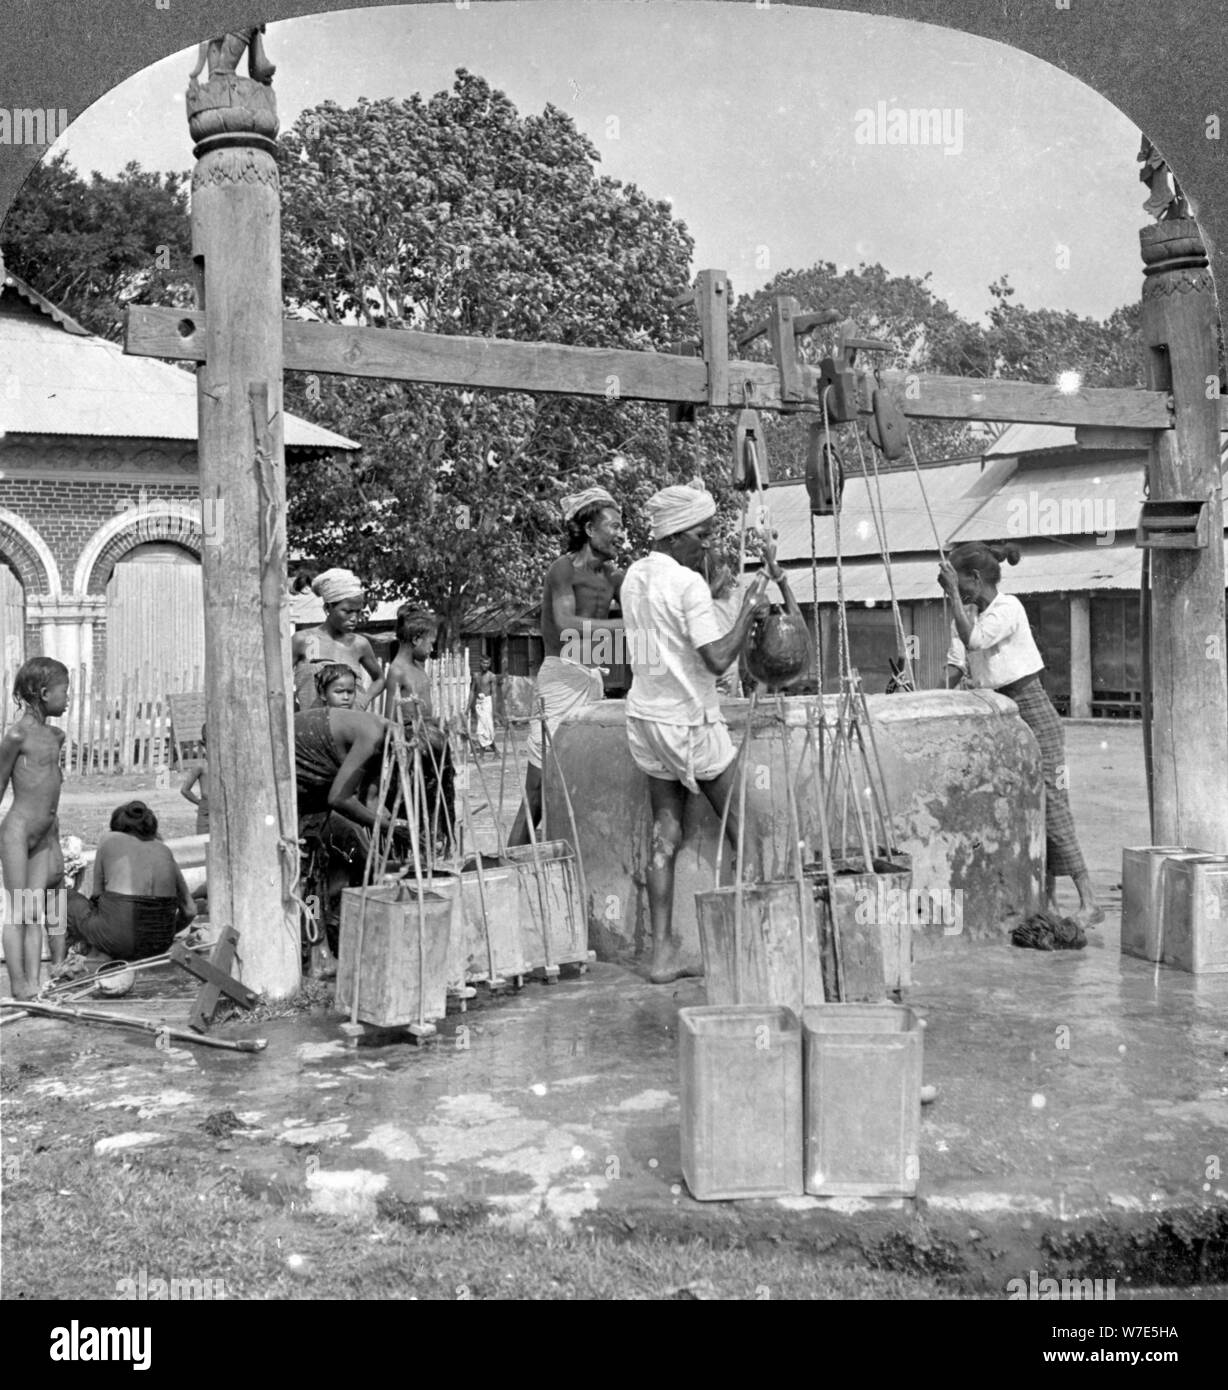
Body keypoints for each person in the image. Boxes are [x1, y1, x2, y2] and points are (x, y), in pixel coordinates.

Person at [621, 482, 776, 983]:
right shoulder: (686, 583)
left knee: (666, 834)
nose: (707, 545)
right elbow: (716, 660)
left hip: (645, 721)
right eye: (702, 535)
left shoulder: (633, 578)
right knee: (746, 828)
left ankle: (662, 955)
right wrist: (750, 609)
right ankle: (750, 951)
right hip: (690, 723)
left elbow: (650, 654)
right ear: (674, 535)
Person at [939, 540, 1103, 929]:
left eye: (958, 582)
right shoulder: (966, 615)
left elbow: (975, 641)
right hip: (1000, 717)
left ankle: (1089, 900)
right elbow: (957, 662)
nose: (954, 589)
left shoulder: (1008, 608)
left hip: (1033, 711)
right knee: (1023, 806)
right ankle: (1043, 900)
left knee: (1053, 803)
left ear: (975, 579)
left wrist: (951, 599)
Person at [510, 486, 625, 845]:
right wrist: (621, 628)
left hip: (593, 679)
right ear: (590, 530)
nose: (620, 533)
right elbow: (565, 623)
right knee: (539, 784)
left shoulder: (613, 575)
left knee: (585, 772)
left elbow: (646, 601)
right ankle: (513, 857)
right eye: (614, 525)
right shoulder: (562, 569)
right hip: (560, 677)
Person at [294, 688, 402, 954]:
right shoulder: (374, 736)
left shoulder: (382, 740)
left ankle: (318, 942)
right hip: (304, 788)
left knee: (318, 872)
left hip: (316, 790)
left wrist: (390, 827)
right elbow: (340, 799)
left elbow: (371, 800)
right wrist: (390, 827)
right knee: (311, 874)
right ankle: (316, 945)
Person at [0, 657, 70, 997]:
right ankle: (18, 985)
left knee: (34, 910)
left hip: (42, 836)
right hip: (17, 831)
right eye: (64, 692)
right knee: (18, 911)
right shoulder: (16, 736)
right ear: (44, 693)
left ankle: (35, 984)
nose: (68, 698)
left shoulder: (55, 736)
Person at [64, 802, 196, 962]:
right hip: (159, 944)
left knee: (56, 898)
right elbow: (190, 910)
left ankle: (58, 960)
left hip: (117, 939)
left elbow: (97, 896)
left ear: (117, 828)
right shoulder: (164, 849)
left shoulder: (109, 840)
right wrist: (159, 932)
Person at [383, 607, 454, 857]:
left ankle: (441, 844)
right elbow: (391, 717)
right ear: (416, 639)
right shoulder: (398, 670)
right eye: (431, 644)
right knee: (414, 800)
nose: (432, 650)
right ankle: (416, 851)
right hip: (414, 748)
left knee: (440, 799)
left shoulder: (417, 667)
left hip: (432, 742)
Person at [291, 567, 385, 711]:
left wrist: (363, 701)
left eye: (358, 611)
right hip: (312, 726)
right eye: (347, 611)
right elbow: (277, 682)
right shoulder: (306, 641)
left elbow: (379, 679)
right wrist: (293, 708)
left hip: (350, 726)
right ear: (328, 608)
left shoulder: (359, 644)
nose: (354, 618)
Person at [180, 723, 210, 835]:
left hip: (224, 808)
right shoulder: (201, 766)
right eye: (210, 743)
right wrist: (200, 803)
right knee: (204, 841)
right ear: (203, 744)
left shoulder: (227, 765)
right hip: (206, 811)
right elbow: (185, 790)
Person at [469, 655, 498, 757]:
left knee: (487, 728)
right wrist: (468, 707)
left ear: (490, 664)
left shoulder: (492, 676)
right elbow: (472, 691)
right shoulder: (476, 676)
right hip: (479, 704)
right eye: (483, 663)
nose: (485, 665)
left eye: (487, 663)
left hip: (487, 703)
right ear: (480, 663)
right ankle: (495, 752)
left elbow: (494, 693)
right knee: (481, 729)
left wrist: (494, 711)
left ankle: (482, 754)